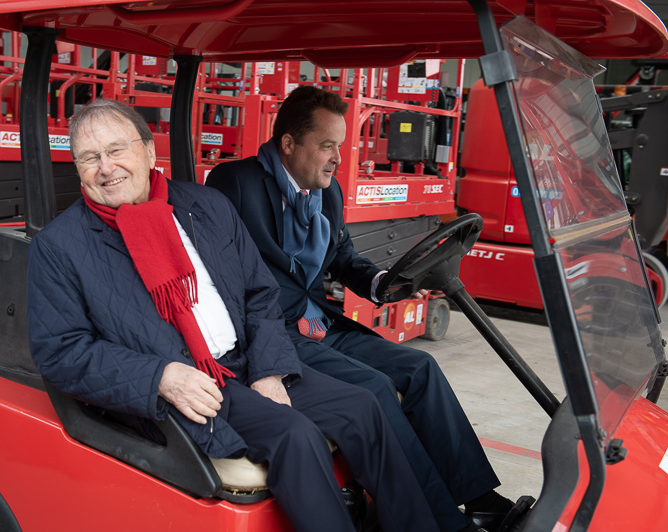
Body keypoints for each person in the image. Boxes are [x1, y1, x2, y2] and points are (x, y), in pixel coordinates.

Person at [25, 98, 446, 532]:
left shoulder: (204, 206)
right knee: (295, 437)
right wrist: (160, 377)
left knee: (363, 405)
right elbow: (62, 353)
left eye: (116, 150)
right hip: (187, 386)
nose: (106, 167)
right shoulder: (61, 246)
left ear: (149, 151)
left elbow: (259, 293)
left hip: (245, 362)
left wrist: (268, 370)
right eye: (89, 158)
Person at [206, 86, 515, 532]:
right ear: (289, 144)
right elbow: (227, 274)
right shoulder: (236, 184)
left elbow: (343, 258)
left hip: (317, 321)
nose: (336, 158)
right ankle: (441, 521)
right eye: (327, 146)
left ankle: (481, 498)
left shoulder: (326, 194)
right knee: (372, 388)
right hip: (271, 330)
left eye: (341, 146)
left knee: (420, 367)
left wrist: (381, 283)